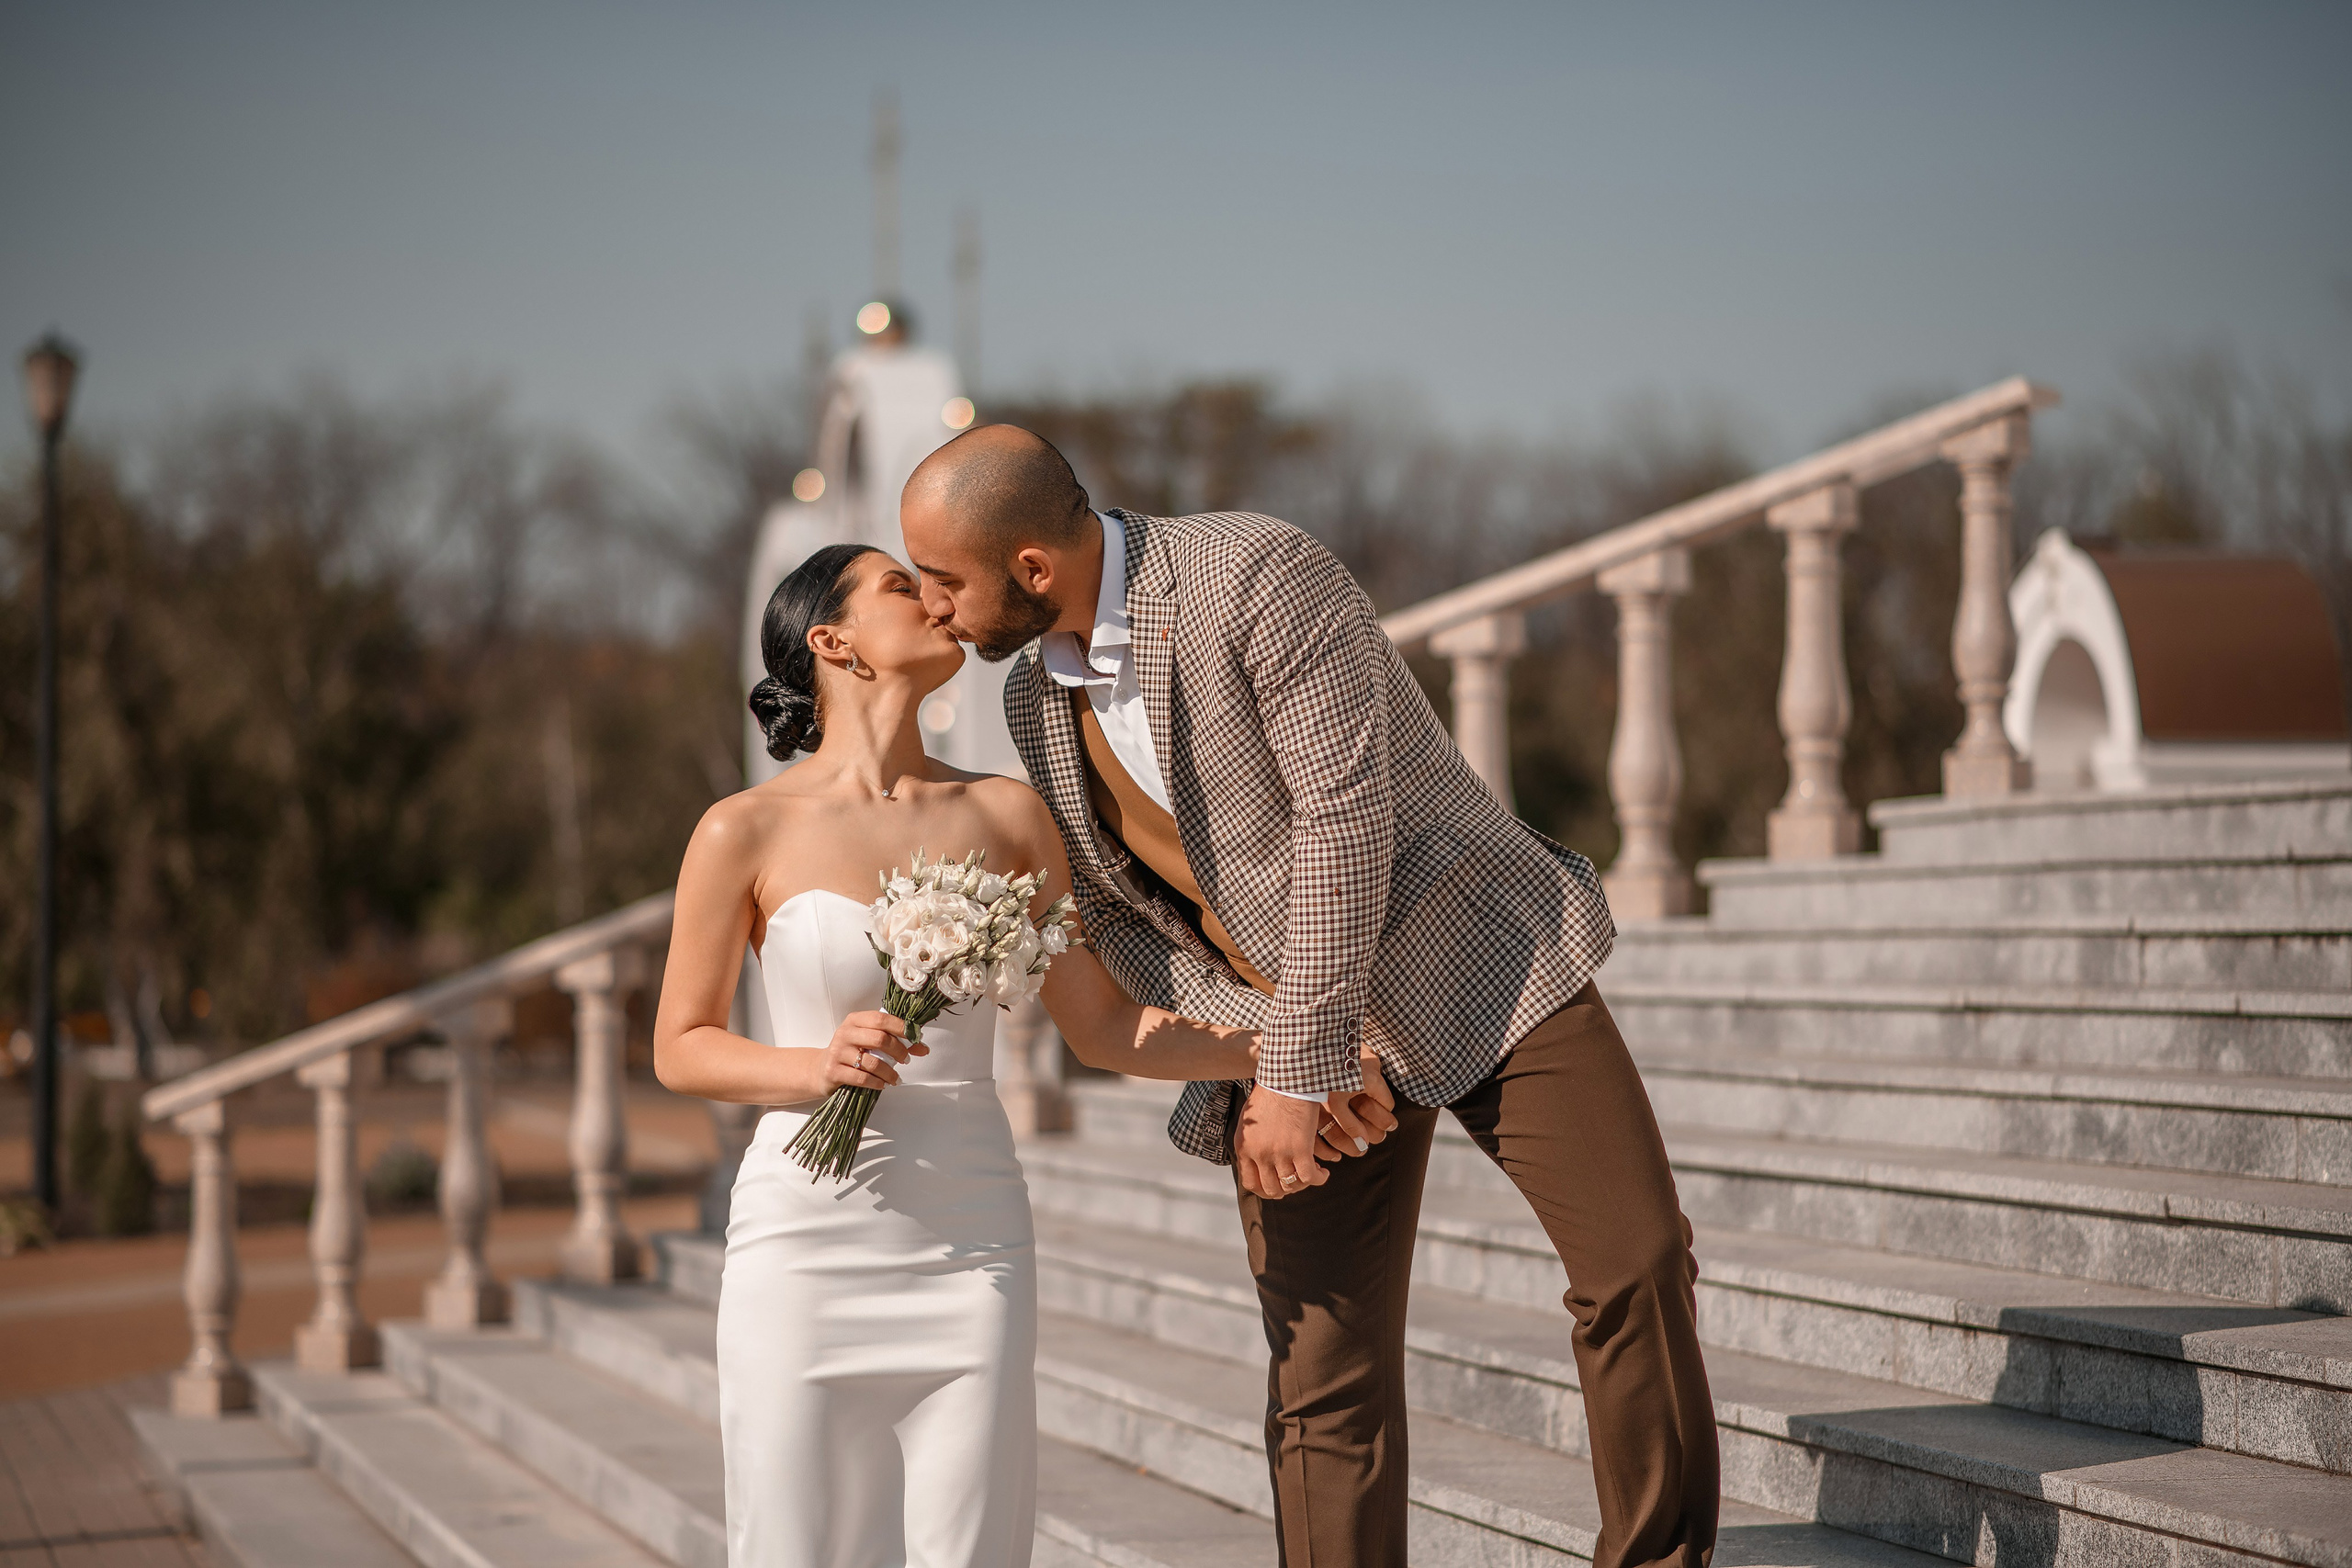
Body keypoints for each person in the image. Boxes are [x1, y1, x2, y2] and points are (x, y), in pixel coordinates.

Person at [898, 427, 1721, 1568]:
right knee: (1321, 1379)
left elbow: (1346, 820)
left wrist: (1298, 1062)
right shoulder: (1039, 704)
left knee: (1633, 1261)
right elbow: (1138, 924)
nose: (933, 607)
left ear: (1032, 568)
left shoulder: (1255, 574)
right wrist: (1260, 1047)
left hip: (1477, 958)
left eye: (944, 580)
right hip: (1283, 1033)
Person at [651, 542, 1394, 1568]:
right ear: (834, 642)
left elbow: (1103, 1026)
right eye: (902, 587)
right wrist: (810, 1068)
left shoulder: (1005, 813)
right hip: (802, 1244)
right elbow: (681, 1049)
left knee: (974, 1544)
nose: (939, 602)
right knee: (793, 1545)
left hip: (970, 1242)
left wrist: (1287, 1055)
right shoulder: (742, 829)